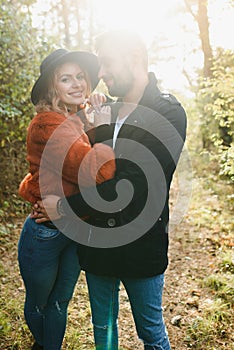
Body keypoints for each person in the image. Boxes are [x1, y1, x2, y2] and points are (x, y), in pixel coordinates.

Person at [32, 31, 187, 350]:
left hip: (141, 245)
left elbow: (132, 186)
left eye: (107, 64)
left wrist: (62, 208)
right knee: (103, 329)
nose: (99, 75)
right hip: (97, 242)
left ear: (133, 59)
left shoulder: (167, 111)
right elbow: (79, 159)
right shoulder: (105, 111)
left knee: (151, 331)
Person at [18, 48, 116, 350]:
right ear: (51, 87)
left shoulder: (70, 118)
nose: (77, 84)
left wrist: (94, 114)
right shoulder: (49, 125)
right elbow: (102, 173)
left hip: (73, 225)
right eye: (65, 79)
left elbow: (45, 170)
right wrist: (103, 127)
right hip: (47, 231)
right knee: (39, 303)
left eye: (80, 77)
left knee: (60, 302)